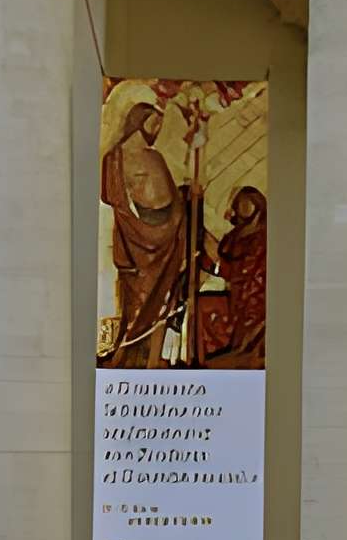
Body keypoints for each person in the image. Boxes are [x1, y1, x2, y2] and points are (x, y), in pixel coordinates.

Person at [99, 99, 217, 367]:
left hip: (151, 242)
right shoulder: (129, 159)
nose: (157, 130)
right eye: (154, 123)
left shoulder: (135, 158)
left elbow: (167, 202)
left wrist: (185, 200)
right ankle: (133, 360)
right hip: (144, 244)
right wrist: (186, 201)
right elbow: (116, 198)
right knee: (141, 309)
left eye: (160, 125)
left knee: (152, 307)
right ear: (138, 123)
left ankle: (148, 361)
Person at [198, 184, 268, 367]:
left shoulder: (264, 238)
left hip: (254, 301)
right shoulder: (234, 237)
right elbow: (225, 268)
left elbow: (249, 272)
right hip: (238, 297)